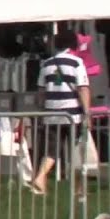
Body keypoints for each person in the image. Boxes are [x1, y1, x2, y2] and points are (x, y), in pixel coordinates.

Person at [29, 29, 91, 196]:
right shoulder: (76, 63)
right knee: (77, 151)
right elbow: (83, 89)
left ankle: (40, 177)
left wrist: (43, 108)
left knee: (51, 150)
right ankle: (79, 188)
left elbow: (40, 93)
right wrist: (87, 113)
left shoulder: (46, 64)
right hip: (72, 115)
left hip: (51, 114)